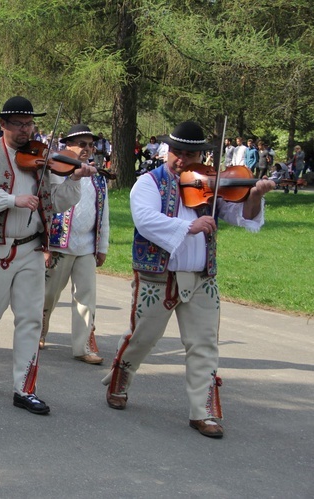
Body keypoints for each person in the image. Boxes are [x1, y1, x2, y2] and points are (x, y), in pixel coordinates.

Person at [101, 121, 275, 438]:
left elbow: (241, 216)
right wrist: (188, 227)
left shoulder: (209, 183)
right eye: (178, 152)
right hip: (158, 275)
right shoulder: (148, 183)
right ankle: (121, 376)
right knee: (143, 337)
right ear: (169, 150)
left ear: (202, 155)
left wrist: (255, 196)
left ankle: (202, 411)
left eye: (191, 153)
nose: (182, 159)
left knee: (204, 344)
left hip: (201, 277)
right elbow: (145, 220)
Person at [0, 96, 97, 415]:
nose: (25, 129)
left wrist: (74, 180)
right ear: (3, 124)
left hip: (31, 246)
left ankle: (24, 388)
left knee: (30, 318)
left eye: (29, 123)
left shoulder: (42, 157)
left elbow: (56, 203)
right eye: (18, 124)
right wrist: (11, 200)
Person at [39, 124, 110, 365]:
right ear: (67, 146)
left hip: (87, 247)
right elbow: (47, 209)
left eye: (90, 145)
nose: (87, 149)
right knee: (49, 294)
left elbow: (105, 214)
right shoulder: (55, 172)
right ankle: (39, 330)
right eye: (81, 144)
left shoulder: (98, 178)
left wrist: (102, 246)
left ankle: (82, 345)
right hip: (59, 244)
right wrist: (46, 245)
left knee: (86, 297)